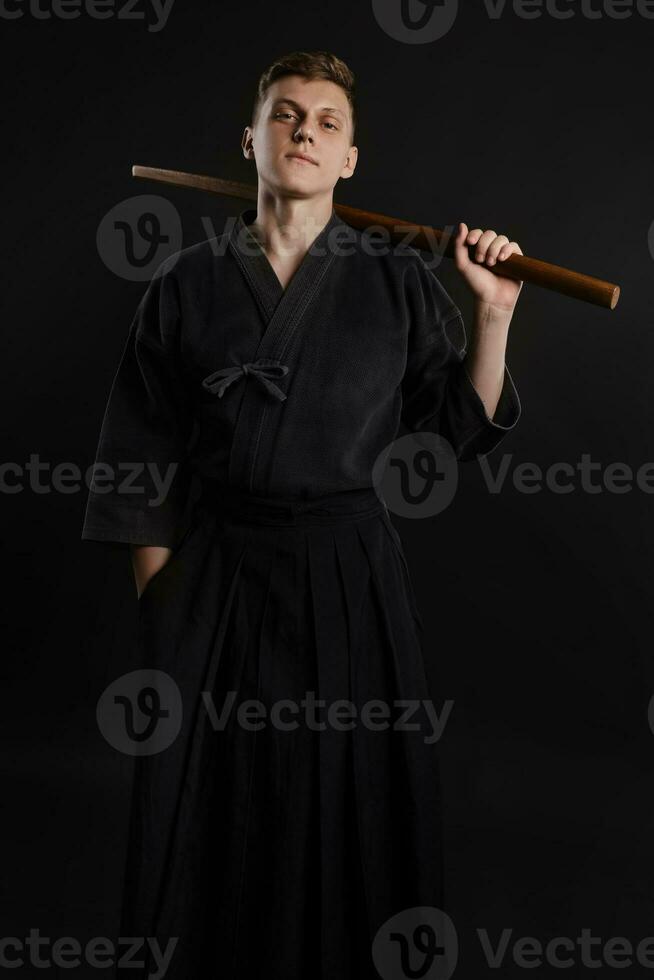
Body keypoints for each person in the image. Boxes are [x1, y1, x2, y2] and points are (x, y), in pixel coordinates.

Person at [82, 49, 523, 980]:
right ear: (251, 140)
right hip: (217, 573)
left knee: (347, 790)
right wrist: (166, 604)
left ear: (351, 157)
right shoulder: (187, 282)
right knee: (207, 796)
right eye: (286, 116)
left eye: (326, 123)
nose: (305, 134)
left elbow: (456, 428)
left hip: (347, 574)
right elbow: (138, 454)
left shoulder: (396, 282)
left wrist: (493, 314)